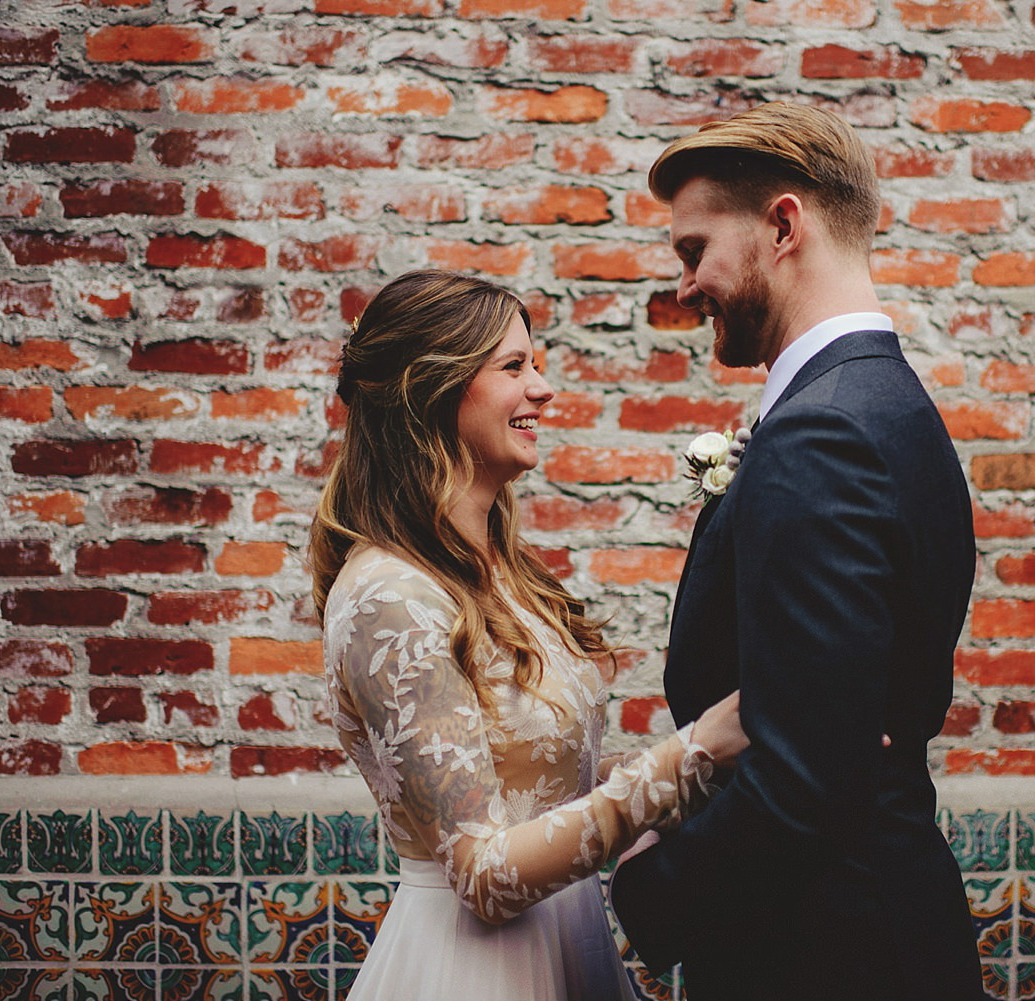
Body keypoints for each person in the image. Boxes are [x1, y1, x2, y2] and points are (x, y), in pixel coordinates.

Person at [609, 102, 986, 999]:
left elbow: (811, 774)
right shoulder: (888, 403)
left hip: (829, 952)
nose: (686, 285)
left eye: (694, 251)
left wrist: (647, 887)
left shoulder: (824, 431)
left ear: (783, 225)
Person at [309, 269, 747, 1001]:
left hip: (567, 940)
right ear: (434, 390)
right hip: (477, 968)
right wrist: (691, 753)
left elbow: (540, 788)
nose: (542, 389)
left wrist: (717, 770)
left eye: (534, 364)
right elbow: (482, 874)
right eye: (515, 367)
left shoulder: (502, 573)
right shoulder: (392, 594)